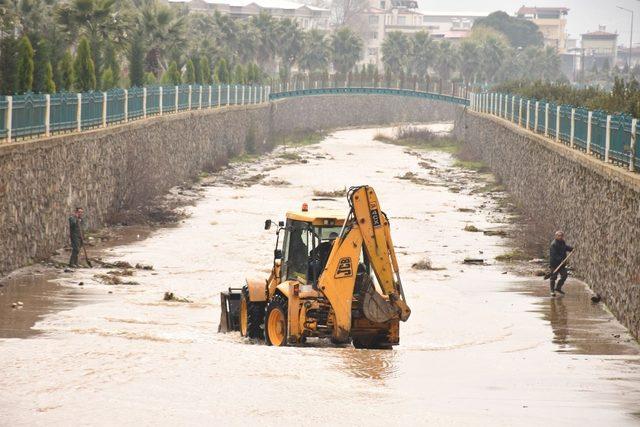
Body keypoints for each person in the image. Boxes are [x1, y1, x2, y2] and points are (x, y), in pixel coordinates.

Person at [549, 230, 573, 296]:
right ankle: (552, 291)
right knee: (553, 277)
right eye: (559, 236)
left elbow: (565, 247)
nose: (560, 237)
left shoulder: (562, 242)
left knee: (564, 275)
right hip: (554, 264)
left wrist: (572, 249)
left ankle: (558, 288)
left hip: (562, 264)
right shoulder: (553, 244)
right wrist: (560, 260)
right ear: (556, 236)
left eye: (561, 236)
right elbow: (554, 255)